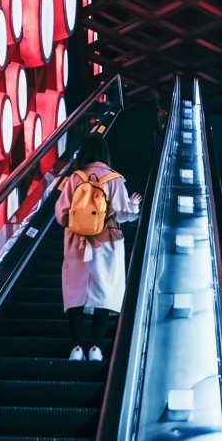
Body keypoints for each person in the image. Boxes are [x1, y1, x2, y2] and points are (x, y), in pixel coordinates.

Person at [54, 133, 142, 361]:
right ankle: (95, 348)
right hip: (106, 242)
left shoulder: (75, 179)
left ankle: (75, 347)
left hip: (77, 242)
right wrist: (133, 205)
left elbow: (60, 214)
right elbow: (124, 213)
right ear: (105, 154)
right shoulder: (114, 179)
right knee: (104, 291)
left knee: (75, 294)